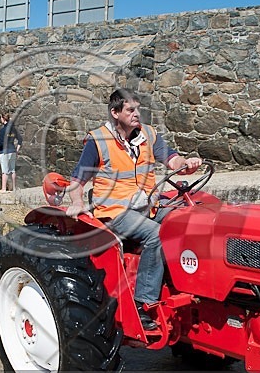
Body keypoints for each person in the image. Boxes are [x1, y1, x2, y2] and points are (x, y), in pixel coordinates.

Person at [65, 89, 202, 330]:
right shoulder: (98, 141)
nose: (137, 114)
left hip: (148, 207)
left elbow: (172, 160)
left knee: (189, 222)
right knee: (156, 236)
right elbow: (77, 181)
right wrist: (76, 202)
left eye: (138, 109)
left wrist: (186, 165)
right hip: (114, 211)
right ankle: (144, 303)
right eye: (131, 110)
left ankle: (187, 285)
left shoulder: (148, 135)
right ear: (115, 113)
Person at [0, 112, 22, 192]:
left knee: (5, 171)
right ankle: (14, 188)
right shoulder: (13, 129)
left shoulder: (3, 130)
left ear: (3, 119)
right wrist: (17, 150)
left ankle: (3, 189)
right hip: (13, 151)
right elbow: (20, 140)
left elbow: (1, 143)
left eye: (1, 118)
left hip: (4, 151)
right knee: (12, 170)